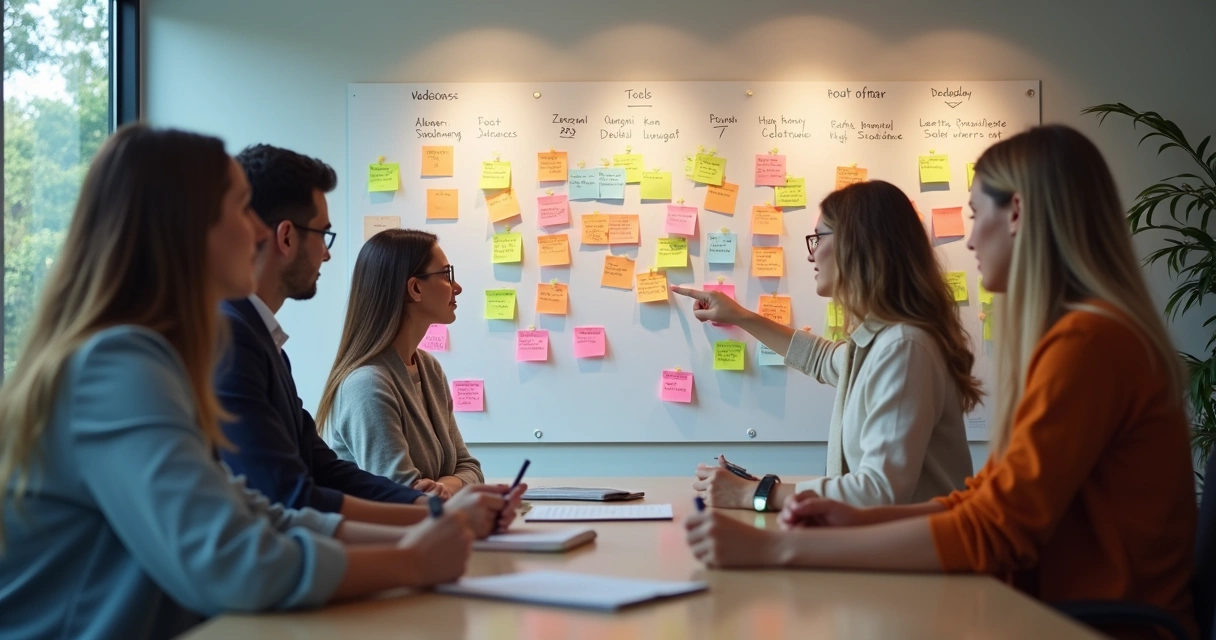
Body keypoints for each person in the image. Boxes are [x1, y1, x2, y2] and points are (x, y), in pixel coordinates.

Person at [683, 125, 1198, 638]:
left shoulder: (1088, 344)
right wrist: (851, 520)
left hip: (1095, 624)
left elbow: (994, 531)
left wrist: (777, 544)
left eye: (975, 214)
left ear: (1016, 212)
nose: (969, 238)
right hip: (1054, 609)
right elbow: (986, 499)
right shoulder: (1079, 335)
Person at [0, 125, 476, 640]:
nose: (259, 233)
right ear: (184, 227)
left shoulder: (161, 358)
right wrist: (411, 562)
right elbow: (230, 560)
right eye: (240, 209)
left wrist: (423, 526)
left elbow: (257, 515)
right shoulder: (116, 367)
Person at [215, 144, 514, 534]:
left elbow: (323, 468)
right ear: (286, 238)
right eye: (323, 234)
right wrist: (437, 514)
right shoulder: (233, 342)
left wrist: (432, 506)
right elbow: (290, 495)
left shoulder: (264, 341)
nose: (326, 254)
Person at [672, 179, 980, 509]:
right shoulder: (880, 341)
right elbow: (821, 358)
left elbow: (879, 491)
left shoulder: (903, 347)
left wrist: (756, 493)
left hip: (912, 555)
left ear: (857, 242)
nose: (811, 254)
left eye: (818, 238)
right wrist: (740, 316)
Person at [316, 229, 483, 499]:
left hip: (430, 533)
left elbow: (470, 467)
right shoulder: (367, 385)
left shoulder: (428, 368)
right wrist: (453, 486)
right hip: (391, 539)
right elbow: (401, 496)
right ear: (415, 288)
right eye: (446, 274)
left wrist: (444, 487)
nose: (457, 287)